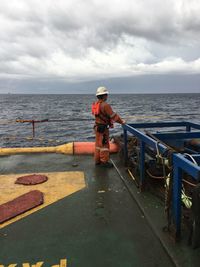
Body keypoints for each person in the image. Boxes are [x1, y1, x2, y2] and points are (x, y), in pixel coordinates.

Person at [92, 86, 125, 167]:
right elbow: (114, 116)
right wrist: (122, 122)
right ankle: (104, 162)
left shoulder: (96, 104)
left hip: (97, 127)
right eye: (106, 94)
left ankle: (97, 160)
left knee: (98, 145)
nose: (107, 96)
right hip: (103, 129)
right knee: (104, 145)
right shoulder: (105, 105)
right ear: (104, 95)